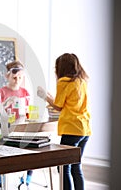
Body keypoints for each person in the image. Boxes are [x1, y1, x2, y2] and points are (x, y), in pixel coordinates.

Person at [37, 53, 91, 190]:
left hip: (71, 129)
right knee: (76, 166)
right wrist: (49, 96)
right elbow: (69, 103)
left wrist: (44, 96)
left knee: (63, 167)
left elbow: (58, 106)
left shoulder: (64, 82)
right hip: (84, 129)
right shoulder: (81, 81)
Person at [0, 60, 32, 188]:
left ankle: (26, 178)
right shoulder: (1, 92)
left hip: (21, 127)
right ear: (7, 76)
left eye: (20, 77)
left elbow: (28, 110)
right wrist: (5, 104)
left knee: (29, 150)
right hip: (6, 128)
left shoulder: (25, 93)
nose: (17, 80)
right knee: (3, 152)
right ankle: (0, 175)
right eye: (14, 77)